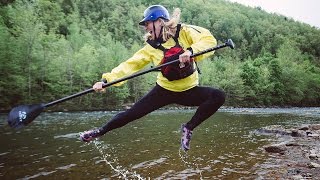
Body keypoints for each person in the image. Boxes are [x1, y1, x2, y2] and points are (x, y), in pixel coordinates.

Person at [79, 5, 225, 151]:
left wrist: (190, 51)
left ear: (159, 22)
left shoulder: (184, 32)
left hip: (189, 91)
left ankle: (188, 128)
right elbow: (130, 65)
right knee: (132, 114)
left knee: (218, 96)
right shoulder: (151, 48)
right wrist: (106, 81)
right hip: (163, 91)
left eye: (147, 23)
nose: (145, 27)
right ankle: (99, 132)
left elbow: (208, 40)